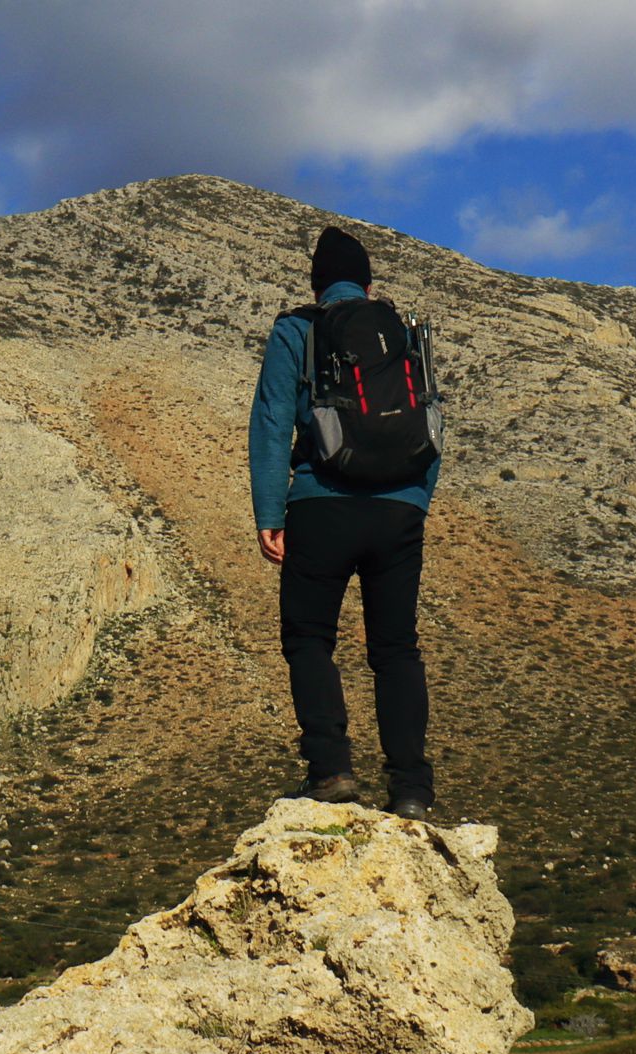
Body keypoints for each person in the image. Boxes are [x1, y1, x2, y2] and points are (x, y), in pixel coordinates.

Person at [249, 226, 439, 820]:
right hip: (398, 511)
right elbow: (430, 420)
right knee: (396, 649)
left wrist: (269, 513)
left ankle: (330, 772)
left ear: (315, 284)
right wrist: (417, 500)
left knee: (309, 639)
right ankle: (410, 789)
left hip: (321, 505)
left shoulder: (296, 331)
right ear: (368, 283)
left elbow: (274, 423)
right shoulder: (404, 334)